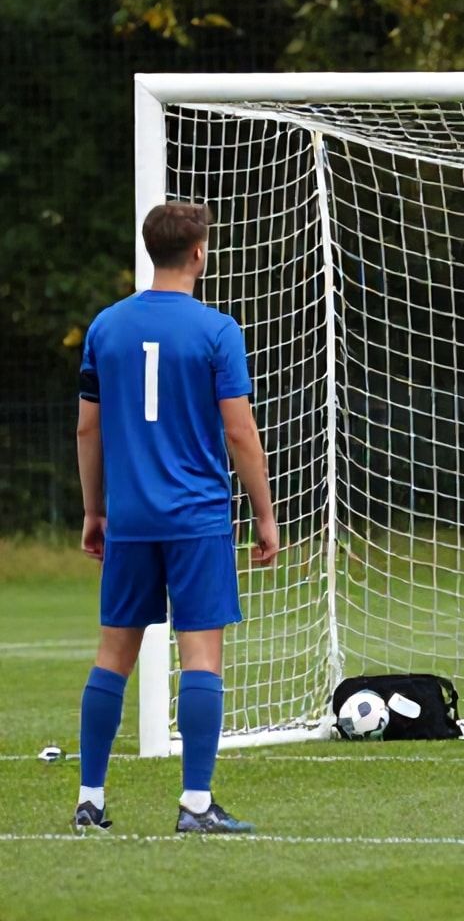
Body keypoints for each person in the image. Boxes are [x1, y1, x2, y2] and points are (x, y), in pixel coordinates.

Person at [72, 201, 280, 833]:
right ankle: (195, 804)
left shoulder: (106, 327)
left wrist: (93, 510)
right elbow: (240, 433)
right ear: (198, 252)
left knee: (112, 657)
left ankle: (91, 799)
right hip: (197, 519)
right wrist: (265, 515)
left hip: (131, 519)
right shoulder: (218, 330)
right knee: (201, 660)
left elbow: (87, 426)